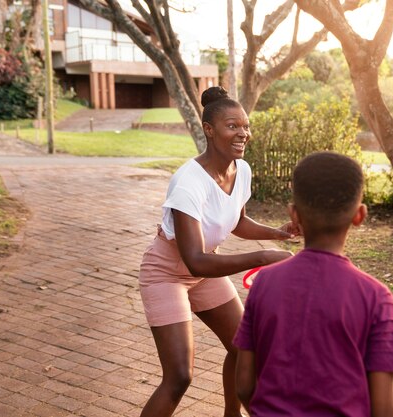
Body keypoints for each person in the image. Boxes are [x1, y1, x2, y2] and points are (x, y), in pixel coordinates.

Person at [138, 86, 298, 417]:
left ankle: (231, 414)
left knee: (244, 347)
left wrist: (277, 233)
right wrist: (262, 257)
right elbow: (194, 260)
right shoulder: (189, 183)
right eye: (232, 126)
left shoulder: (242, 171)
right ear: (209, 130)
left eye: (245, 126)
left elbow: (236, 220)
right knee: (179, 376)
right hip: (169, 273)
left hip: (205, 270)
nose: (243, 133)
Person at [233, 151, 393, 417]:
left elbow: (244, 384)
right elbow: (383, 410)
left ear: (294, 215)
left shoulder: (265, 282)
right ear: (360, 215)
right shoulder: (376, 297)